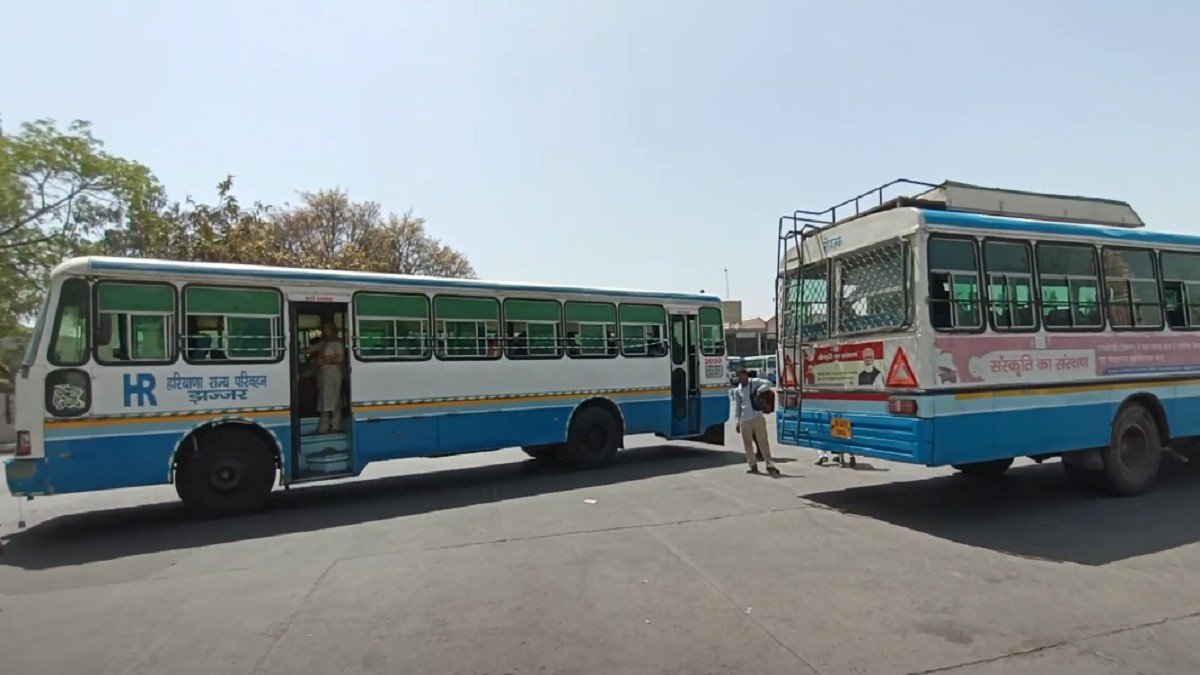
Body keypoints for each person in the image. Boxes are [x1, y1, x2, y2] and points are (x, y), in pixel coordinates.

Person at [732, 368, 779, 475]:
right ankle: (753, 465)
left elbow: (769, 382)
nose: (742, 378)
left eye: (743, 376)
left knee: (763, 442)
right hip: (745, 419)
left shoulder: (754, 382)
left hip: (757, 417)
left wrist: (761, 389)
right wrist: (737, 422)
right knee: (747, 444)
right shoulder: (737, 390)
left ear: (746, 376)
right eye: (739, 376)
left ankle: (770, 465)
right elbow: (738, 407)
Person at [306, 321, 345, 434]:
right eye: (324, 328)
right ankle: (324, 426)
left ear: (333, 330)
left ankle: (336, 425)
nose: (325, 331)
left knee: (334, 399)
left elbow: (340, 359)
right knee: (324, 399)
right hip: (323, 374)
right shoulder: (324, 342)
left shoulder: (337, 343)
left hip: (333, 373)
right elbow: (309, 350)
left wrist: (324, 361)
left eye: (327, 328)